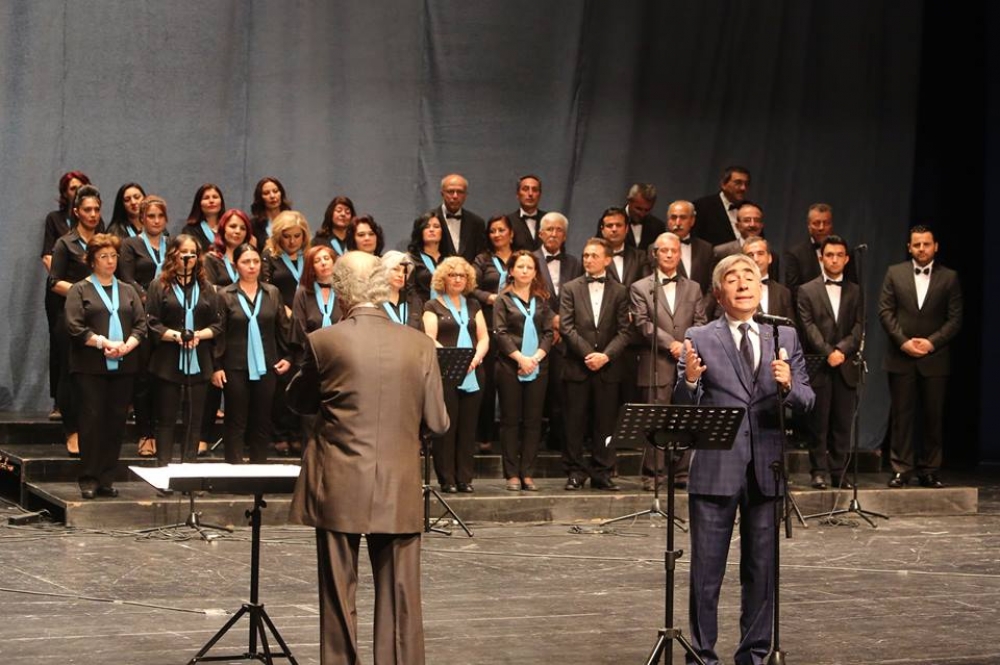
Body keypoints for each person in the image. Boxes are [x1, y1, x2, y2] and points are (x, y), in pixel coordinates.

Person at [287, 251, 449, 665]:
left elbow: (299, 402)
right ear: (381, 287)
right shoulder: (419, 344)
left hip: (338, 482)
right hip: (399, 483)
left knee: (338, 594)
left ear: (341, 292)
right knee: (401, 596)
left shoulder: (324, 341)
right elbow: (438, 421)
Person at [676, 253, 814, 665]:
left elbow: (807, 399)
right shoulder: (699, 337)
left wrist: (789, 386)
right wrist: (690, 381)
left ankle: (753, 654)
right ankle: (702, 655)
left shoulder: (784, 335)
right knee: (706, 573)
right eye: (732, 278)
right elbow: (682, 408)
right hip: (716, 469)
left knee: (761, 572)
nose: (742, 284)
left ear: (761, 286)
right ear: (719, 293)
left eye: (749, 276)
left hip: (767, 469)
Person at [64, 233, 147, 499]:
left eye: (113, 256)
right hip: (90, 367)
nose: (110, 261)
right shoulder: (80, 289)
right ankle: (89, 477)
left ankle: (106, 478)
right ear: (92, 260)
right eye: (103, 256)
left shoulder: (127, 290)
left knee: (116, 422)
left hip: (124, 365)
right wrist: (103, 343)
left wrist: (127, 345)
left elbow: (141, 324)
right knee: (91, 421)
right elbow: (75, 327)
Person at [879, 225, 962, 489]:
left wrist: (931, 342)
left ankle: (929, 470)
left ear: (935, 246)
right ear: (909, 247)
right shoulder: (895, 273)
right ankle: (901, 469)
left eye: (926, 244)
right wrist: (903, 342)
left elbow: (955, 318)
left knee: (932, 417)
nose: (922, 249)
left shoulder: (949, 277)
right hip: (901, 356)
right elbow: (885, 312)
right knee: (901, 417)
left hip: (934, 358)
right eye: (917, 244)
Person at [630, 232, 707, 489]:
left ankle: (682, 473)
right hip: (656, 362)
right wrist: (671, 344)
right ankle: (653, 474)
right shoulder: (641, 287)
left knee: (685, 417)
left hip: (687, 363)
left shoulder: (693, 287)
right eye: (664, 250)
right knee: (656, 419)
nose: (670, 254)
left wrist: (686, 346)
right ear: (655, 254)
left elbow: (701, 322)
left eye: (674, 250)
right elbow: (642, 323)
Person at [558, 238, 631, 491]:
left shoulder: (620, 291)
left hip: (608, 368)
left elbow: (625, 331)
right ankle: (575, 471)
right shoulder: (570, 288)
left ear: (607, 260)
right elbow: (566, 327)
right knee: (574, 422)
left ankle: (602, 471)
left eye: (594, 256)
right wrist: (590, 355)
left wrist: (605, 356)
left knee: (605, 423)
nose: (588, 260)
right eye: (586, 255)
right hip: (578, 365)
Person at [212, 243, 291, 464]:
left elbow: (282, 328)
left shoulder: (272, 292)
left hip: (267, 364)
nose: (252, 266)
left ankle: (258, 469)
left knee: (262, 420)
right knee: (236, 420)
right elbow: (219, 333)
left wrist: (288, 357)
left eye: (256, 261)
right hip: (234, 366)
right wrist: (217, 366)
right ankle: (234, 468)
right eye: (246, 262)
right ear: (235, 265)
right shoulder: (225, 295)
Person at [145, 235, 221, 465]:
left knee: (194, 420)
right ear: (173, 255)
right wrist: (176, 336)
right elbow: (152, 322)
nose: (188, 256)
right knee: (166, 419)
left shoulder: (207, 288)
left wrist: (198, 335)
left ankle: (189, 468)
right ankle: (164, 468)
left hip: (199, 359)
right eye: (184, 252)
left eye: (193, 253)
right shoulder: (159, 285)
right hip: (168, 359)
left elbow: (217, 325)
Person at [797, 235, 861, 489]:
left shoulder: (856, 291)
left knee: (842, 423)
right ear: (821, 257)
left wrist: (842, 350)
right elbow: (808, 326)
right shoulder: (807, 290)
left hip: (846, 364)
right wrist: (828, 352)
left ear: (846, 259)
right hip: (820, 365)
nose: (834, 260)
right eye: (829, 255)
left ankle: (838, 471)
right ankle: (818, 471)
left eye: (839, 255)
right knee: (818, 422)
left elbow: (859, 326)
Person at [422, 257, 489, 493]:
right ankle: (447, 479)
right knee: (447, 427)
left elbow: (483, 337)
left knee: (468, 428)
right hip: (447, 370)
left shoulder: (473, 305)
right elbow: (429, 337)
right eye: (453, 275)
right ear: (444, 278)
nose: (458, 279)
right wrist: (454, 356)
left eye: (462, 275)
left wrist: (475, 358)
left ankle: (464, 478)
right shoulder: (432, 305)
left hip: (473, 371)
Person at [49, 184, 105, 456]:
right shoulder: (65, 243)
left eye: (96, 209)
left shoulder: (104, 242)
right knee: (70, 373)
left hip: (101, 318)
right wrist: (84, 291)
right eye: (87, 210)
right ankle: (71, 430)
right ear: (77, 212)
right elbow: (54, 282)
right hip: (71, 317)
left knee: (95, 376)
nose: (93, 214)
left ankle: (93, 428)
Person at [493, 250, 555, 491]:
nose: (525, 271)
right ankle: (511, 474)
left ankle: (527, 472)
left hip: (538, 365)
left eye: (530, 267)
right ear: (511, 271)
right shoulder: (503, 299)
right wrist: (520, 359)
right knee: (510, 420)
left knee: (533, 421)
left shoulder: (542, 299)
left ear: (535, 272)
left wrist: (535, 359)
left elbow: (548, 333)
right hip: (510, 365)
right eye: (520, 266)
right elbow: (500, 333)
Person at [118, 195, 170, 457]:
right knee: (143, 379)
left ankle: (163, 433)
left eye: (160, 216)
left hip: (168, 317)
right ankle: (145, 433)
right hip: (141, 314)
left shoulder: (172, 244)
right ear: (141, 219)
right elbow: (127, 279)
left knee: (165, 379)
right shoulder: (131, 244)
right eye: (151, 216)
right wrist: (150, 298)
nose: (156, 221)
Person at [41, 171, 92, 422]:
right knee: (61, 347)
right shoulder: (55, 219)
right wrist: (77, 288)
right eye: (73, 188)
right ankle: (59, 403)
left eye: (81, 187)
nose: (77, 191)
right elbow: (47, 257)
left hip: (90, 299)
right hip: (62, 295)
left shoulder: (97, 224)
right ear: (65, 193)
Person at [533, 212, 582, 452]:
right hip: (537, 334)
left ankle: (560, 439)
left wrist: (564, 323)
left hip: (567, 336)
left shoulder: (575, 262)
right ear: (540, 233)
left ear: (565, 235)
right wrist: (551, 319)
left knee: (563, 391)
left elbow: (579, 295)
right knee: (538, 390)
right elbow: (528, 294)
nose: (554, 234)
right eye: (549, 229)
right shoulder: (530, 260)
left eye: (559, 230)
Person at [471, 214, 515, 446]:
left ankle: (510, 437)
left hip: (516, 327)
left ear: (511, 233)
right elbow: (471, 287)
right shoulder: (483, 259)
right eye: (492, 231)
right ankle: (485, 435)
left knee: (512, 384)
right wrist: (490, 298)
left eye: (501, 230)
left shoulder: (521, 258)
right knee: (487, 383)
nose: (497, 235)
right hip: (488, 326)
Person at [782, 203, 858, 300]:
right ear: (809, 226)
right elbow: (793, 292)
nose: (821, 228)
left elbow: (852, 288)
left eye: (826, 223)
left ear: (831, 225)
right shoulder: (795, 254)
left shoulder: (845, 252)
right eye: (816, 223)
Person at [290, 245, 344, 363]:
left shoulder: (342, 290)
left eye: (326, 258)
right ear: (311, 267)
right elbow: (299, 329)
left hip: (341, 353)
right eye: (317, 261)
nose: (323, 263)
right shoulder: (303, 292)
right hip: (311, 355)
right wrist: (318, 350)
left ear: (334, 262)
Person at [691, 165, 752, 246]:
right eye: (738, 183)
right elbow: (695, 241)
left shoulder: (752, 209)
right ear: (723, 184)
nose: (743, 188)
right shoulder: (702, 206)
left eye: (746, 184)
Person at [433, 173, 487, 263]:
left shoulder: (477, 223)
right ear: (442, 193)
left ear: (466, 195)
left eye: (460, 192)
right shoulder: (428, 221)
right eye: (450, 191)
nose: (455, 196)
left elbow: (481, 255)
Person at [667, 199, 714, 295]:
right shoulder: (656, 249)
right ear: (668, 221)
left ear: (692, 221)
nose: (678, 223)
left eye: (683, 217)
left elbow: (713, 283)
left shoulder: (706, 248)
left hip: (702, 303)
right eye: (673, 217)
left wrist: (704, 304)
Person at [407, 212, 451, 304]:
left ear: (442, 231)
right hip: (420, 308)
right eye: (427, 227)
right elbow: (409, 290)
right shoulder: (411, 258)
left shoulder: (450, 260)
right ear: (420, 231)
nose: (431, 230)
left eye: (436, 226)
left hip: (449, 308)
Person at [598, 206, 648, 287]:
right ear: (602, 230)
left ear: (626, 229)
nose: (614, 229)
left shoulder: (640, 256)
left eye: (618, 225)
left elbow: (647, 287)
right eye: (609, 225)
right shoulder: (594, 257)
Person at [204, 208, 251, 288]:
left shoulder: (251, 259)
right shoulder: (211, 258)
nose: (238, 231)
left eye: (243, 228)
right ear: (223, 229)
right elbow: (209, 290)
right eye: (233, 226)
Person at [381, 250, 423, 329]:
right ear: (383, 270)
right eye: (395, 269)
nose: (401, 275)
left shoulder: (414, 301)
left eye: (405, 272)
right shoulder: (373, 301)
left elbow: (421, 332)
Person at [249, 176, 292, 250]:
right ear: (260, 198)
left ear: (281, 193)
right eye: (266, 193)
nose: (272, 196)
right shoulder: (253, 225)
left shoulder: (292, 220)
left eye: (275, 191)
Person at [180, 183, 226, 251]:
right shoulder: (190, 231)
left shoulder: (228, 228)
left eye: (215, 197)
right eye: (206, 198)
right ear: (199, 203)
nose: (211, 201)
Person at [507, 174, 546, 250]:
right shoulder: (508, 222)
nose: (530, 194)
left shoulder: (549, 220)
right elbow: (500, 252)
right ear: (517, 194)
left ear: (540, 195)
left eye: (535, 190)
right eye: (525, 189)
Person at [623, 183, 666, 251]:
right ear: (629, 201)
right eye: (638, 209)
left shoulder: (658, 226)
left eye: (647, 210)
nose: (642, 214)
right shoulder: (612, 221)